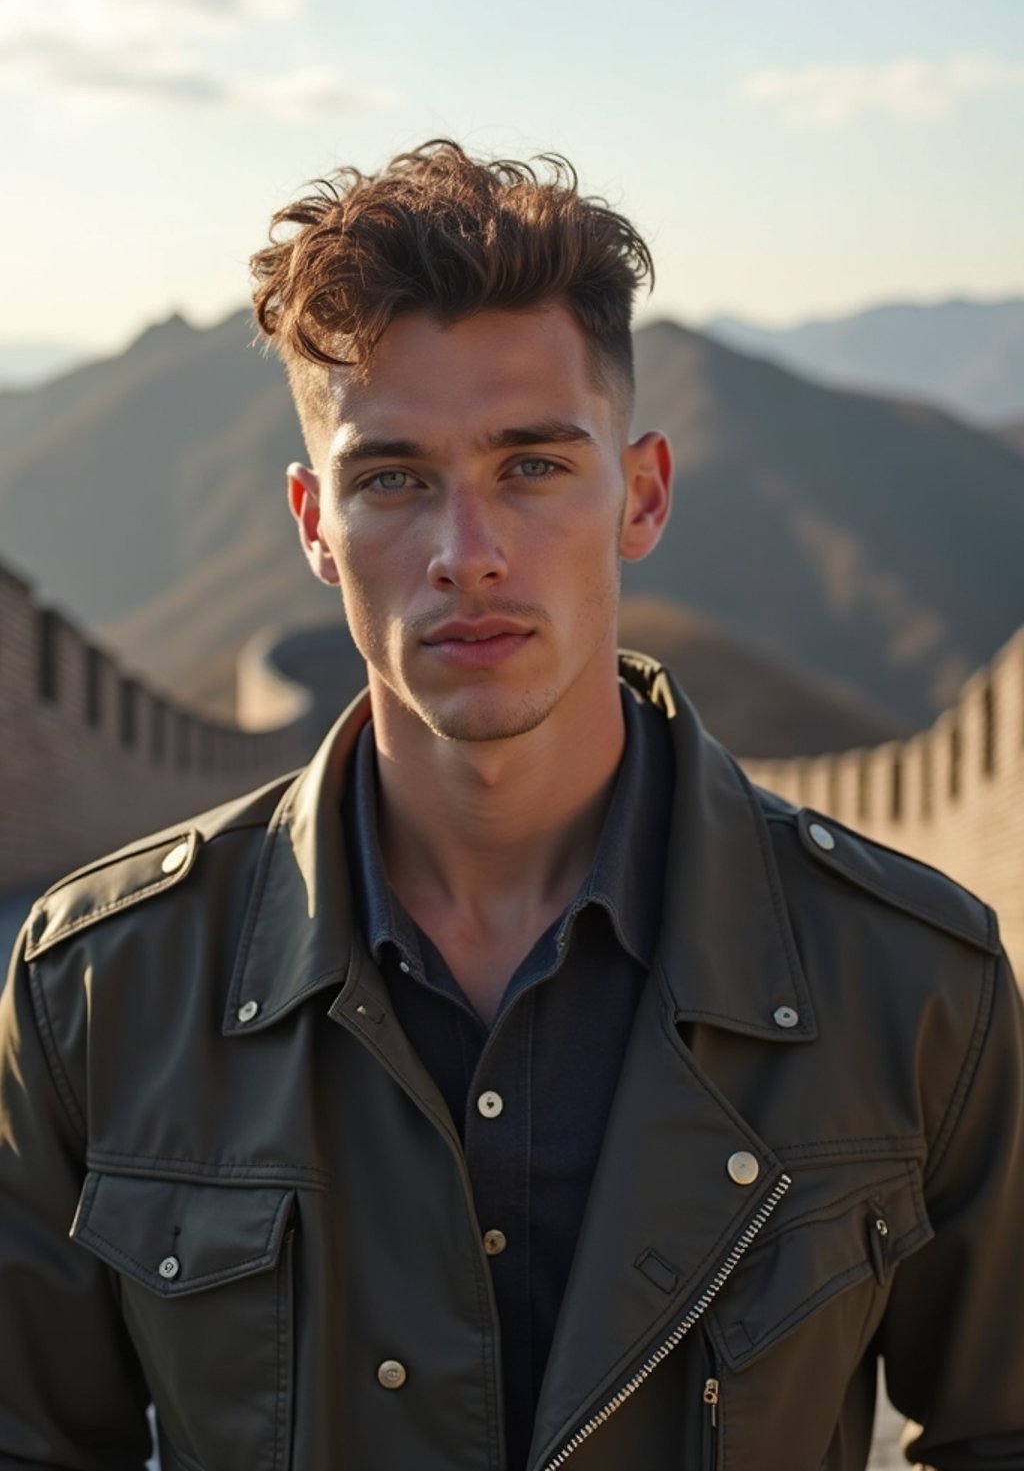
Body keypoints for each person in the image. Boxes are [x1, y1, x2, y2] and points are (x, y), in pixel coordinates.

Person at [1, 141, 1022, 1471]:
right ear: (316, 523)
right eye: (392, 478)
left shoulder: (907, 979)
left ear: (641, 493)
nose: (464, 551)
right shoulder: (105, 990)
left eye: (533, 466)